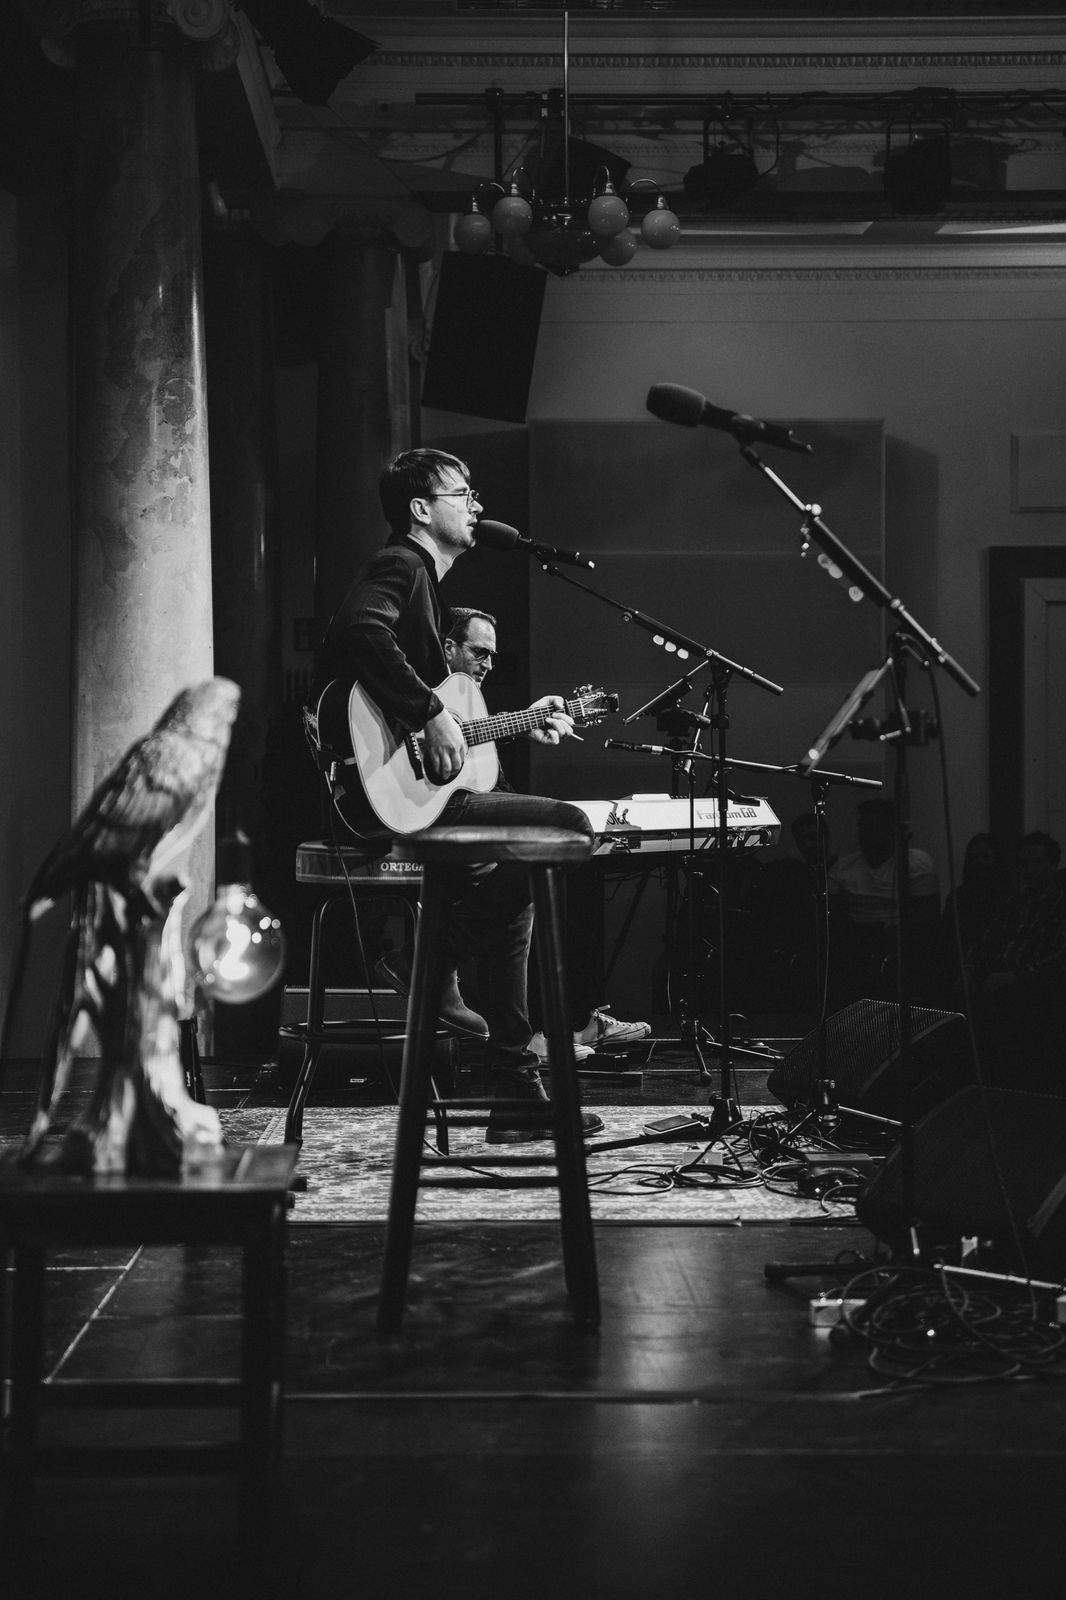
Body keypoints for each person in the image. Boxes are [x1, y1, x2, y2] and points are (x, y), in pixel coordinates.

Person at [318, 448, 605, 1144]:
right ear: (421, 509)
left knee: (515, 898)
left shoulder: (424, 582)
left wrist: (510, 719)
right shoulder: (404, 564)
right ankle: (429, 966)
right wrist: (427, 712)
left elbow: (447, 726)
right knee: (568, 825)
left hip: (411, 791)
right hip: (393, 796)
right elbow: (358, 629)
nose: (477, 505)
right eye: (463, 493)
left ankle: (516, 1091)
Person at [444, 606, 651, 1061]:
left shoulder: (465, 701)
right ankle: (434, 962)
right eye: (479, 652)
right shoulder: (422, 691)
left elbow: (473, 759)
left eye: (493, 655)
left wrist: (523, 723)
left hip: (461, 813)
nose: (488, 664)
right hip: (432, 816)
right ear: (448, 648)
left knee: (530, 891)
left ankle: (519, 1051)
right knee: (566, 828)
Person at [827, 797, 940, 1004]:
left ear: (891, 829)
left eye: (873, 827)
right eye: (862, 827)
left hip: (899, 948)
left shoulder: (916, 864)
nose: (865, 834)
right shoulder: (844, 867)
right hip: (854, 946)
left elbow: (927, 921)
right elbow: (828, 913)